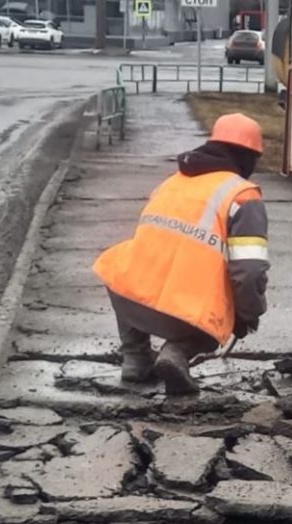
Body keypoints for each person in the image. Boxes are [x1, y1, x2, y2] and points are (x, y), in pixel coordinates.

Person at [93, 113, 269, 395]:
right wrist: (247, 314)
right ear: (248, 157)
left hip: (132, 302)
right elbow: (248, 272)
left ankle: (135, 357)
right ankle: (176, 353)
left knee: (121, 266)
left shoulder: (172, 182)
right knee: (220, 311)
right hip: (185, 316)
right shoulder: (243, 196)